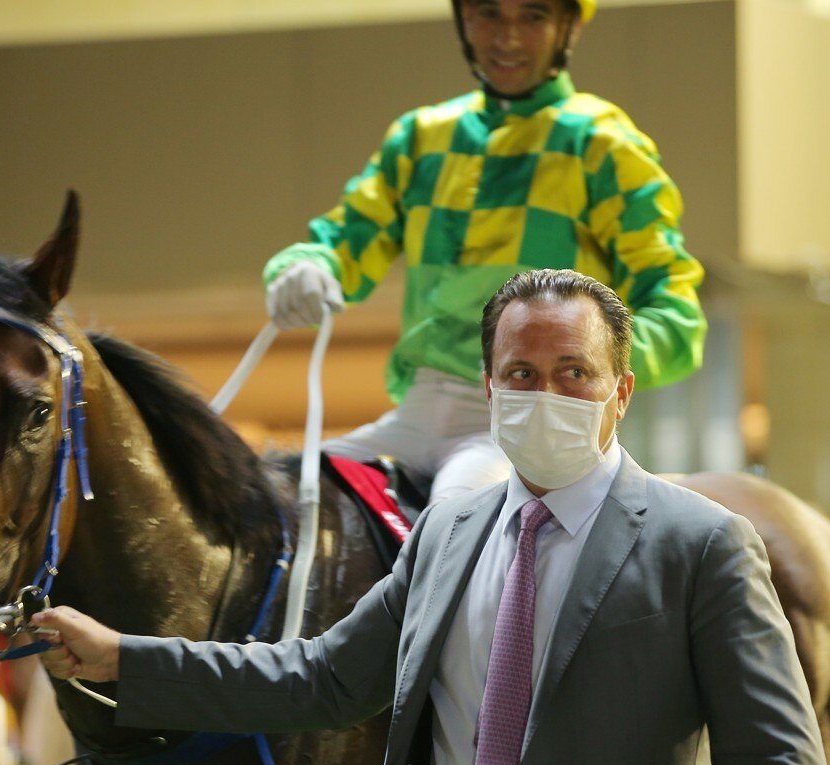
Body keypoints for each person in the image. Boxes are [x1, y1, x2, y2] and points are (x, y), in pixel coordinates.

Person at [34, 270, 823, 765]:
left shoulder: (703, 544)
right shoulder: (449, 533)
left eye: (573, 373)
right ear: (490, 390)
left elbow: (779, 758)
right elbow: (321, 677)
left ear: (621, 392)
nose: (545, 392)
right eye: (522, 373)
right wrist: (120, 660)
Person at [263, 0, 707, 506]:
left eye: (534, 16)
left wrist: (577, 370)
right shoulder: (418, 139)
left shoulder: (604, 146)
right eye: (488, 13)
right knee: (282, 502)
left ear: (571, 25)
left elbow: (677, 322)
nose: (508, 38)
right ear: (462, 20)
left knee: (455, 531)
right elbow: (345, 241)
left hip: (528, 418)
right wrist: (308, 265)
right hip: (416, 412)